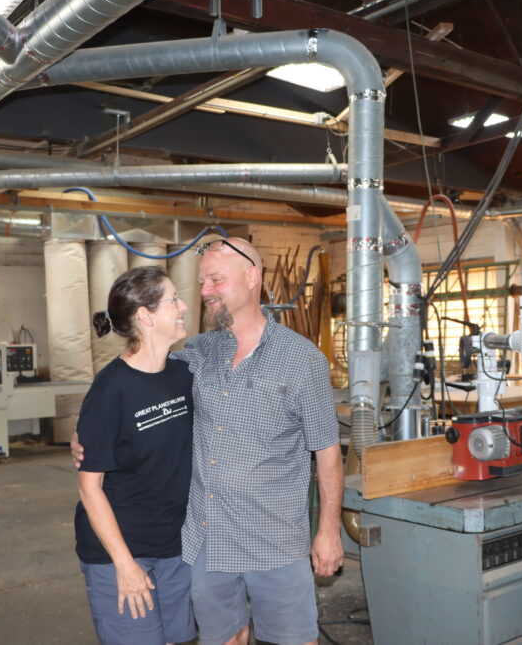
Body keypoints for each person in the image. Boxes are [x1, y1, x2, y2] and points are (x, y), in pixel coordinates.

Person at [75, 238, 344, 645]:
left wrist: (328, 531)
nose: (203, 292)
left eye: (215, 280)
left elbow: (328, 451)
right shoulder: (198, 352)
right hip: (208, 539)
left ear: (251, 278)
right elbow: (130, 387)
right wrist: (85, 434)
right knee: (224, 639)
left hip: (275, 539)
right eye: (201, 282)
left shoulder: (301, 359)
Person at [74, 266, 197, 645]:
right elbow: (89, 488)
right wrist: (124, 565)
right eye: (173, 300)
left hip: (175, 544)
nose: (184, 306)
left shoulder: (184, 374)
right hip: (122, 550)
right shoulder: (110, 389)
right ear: (145, 316)